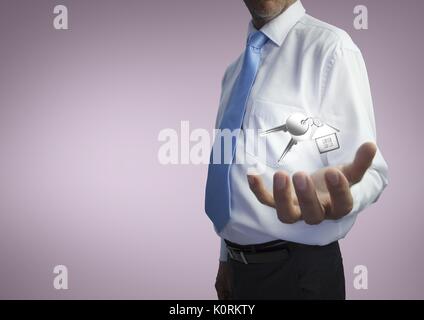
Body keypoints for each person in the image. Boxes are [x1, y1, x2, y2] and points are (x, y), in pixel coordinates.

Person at [205, 0, 388, 300]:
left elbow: (369, 171)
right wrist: (227, 257)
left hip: (300, 274)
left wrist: (338, 198)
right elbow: (231, 177)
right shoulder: (234, 72)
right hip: (239, 273)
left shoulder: (331, 49)